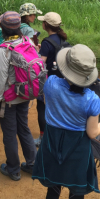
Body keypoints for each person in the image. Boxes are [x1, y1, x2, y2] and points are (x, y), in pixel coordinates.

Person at [32, 44, 100, 199]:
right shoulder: (91, 99)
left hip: (51, 144)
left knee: (53, 191)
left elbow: (48, 100)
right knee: (76, 194)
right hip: (77, 150)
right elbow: (92, 133)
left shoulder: (50, 84)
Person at [0, 11, 37, 181]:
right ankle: (32, 163)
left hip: (9, 98)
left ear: (2, 28)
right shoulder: (28, 42)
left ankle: (13, 169)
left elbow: (1, 78)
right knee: (23, 128)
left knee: (10, 133)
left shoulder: (4, 49)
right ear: (19, 27)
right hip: (25, 94)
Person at [34, 12, 68, 147]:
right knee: (58, 108)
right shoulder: (63, 41)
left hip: (49, 81)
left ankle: (43, 138)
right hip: (63, 80)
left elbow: (41, 64)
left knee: (41, 107)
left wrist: (37, 53)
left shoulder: (47, 42)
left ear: (46, 25)